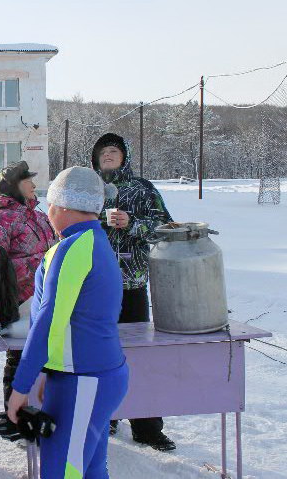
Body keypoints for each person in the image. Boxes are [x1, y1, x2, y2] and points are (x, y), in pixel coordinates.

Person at [7, 166, 129, 479]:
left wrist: (20, 387)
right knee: (87, 469)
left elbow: (49, 320)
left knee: (62, 472)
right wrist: (51, 371)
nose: (47, 212)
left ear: (62, 207)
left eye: (50, 204)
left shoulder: (72, 249)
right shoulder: (94, 242)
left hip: (83, 379)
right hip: (90, 375)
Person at [91, 133, 176, 451]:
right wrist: (102, 219)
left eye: (114, 151)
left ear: (124, 157)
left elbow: (166, 229)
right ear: (96, 160)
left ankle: (147, 426)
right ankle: (105, 418)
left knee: (140, 358)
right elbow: (67, 226)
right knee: (100, 355)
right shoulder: (89, 189)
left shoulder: (142, 188)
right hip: (95, 287)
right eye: (103, 152)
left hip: (133, 286)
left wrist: (132, 223)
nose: (109, 155)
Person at [0, 161, 58, 410]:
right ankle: (16, 415)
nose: (34, 185)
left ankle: (47, 410)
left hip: (47, 298)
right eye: (28, 181)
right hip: (21, 302)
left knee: (50, 358)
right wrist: (41, 264)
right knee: (20, 359)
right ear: (14, 186)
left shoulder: (40, 215)